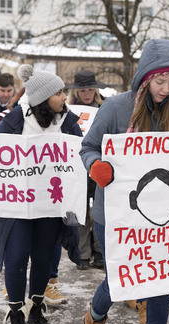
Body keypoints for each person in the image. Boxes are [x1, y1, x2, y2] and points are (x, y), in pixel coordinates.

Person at [79, 38, 169, 324]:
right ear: (146, 76)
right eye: (160, 80)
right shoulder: (115, 108)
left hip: (164, 219)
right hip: (115, 216)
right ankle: (95, 316)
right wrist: (96, 167)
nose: (166, 89)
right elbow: (88, 148)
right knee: (120, 277)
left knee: (161, 281)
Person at [0, 64, 82, 324]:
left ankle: (36, 309)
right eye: (60, 92)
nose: (65, 97)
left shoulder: (68, 122)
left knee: (44, 258)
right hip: (16, 205)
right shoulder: (13, 121)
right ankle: (16, 312)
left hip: (51, 204)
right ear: (43, 97)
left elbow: (80, 155)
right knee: (16, 257)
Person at [67, 69, 107, 271]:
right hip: (76, 168)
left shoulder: (105, 106)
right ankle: (83, 254)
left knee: (100, 211)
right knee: (80, 212)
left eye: (91, 89)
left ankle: (100, 252)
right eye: (83, 90)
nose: (87, 94)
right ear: (76, 91)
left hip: (99, 165)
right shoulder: (67, 110)